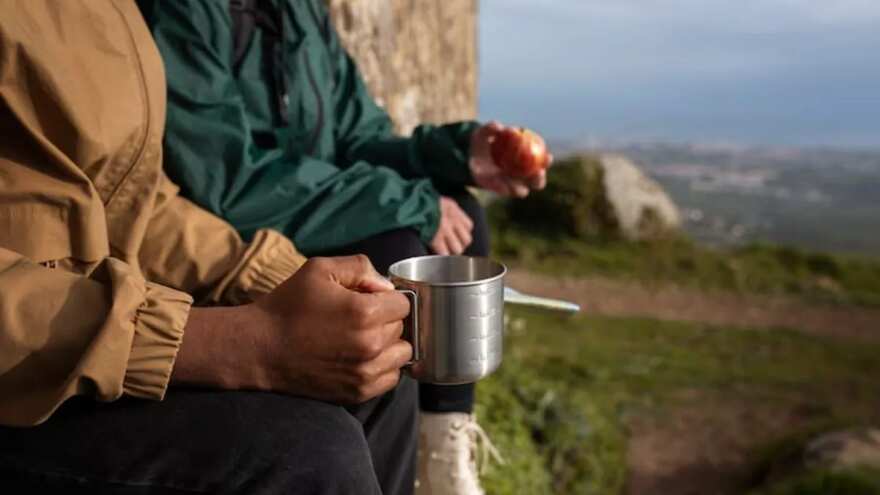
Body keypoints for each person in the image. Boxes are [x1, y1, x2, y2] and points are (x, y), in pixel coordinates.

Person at [0, 2, 420, 493]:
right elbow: (230, 179)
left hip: (95, 329)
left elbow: (132, 200)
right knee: (308, 453)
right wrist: (244, 342)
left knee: (381, 368)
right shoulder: (187, 12)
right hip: (30, 372)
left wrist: (277, 276)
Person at [138, 1, 550, 493]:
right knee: (399, 260)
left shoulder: (300, 11)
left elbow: (358, 138)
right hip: (239, 228)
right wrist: (411, 201)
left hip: (311, 206)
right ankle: (373, 470)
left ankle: (442, 453)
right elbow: (227, 182)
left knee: (462, 218)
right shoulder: (186, 11)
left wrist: (454, 155)